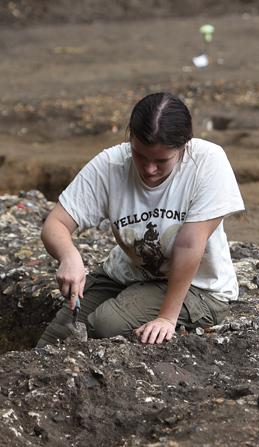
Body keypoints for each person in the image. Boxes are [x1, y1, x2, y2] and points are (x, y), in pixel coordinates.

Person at [37, 92, 245, 346]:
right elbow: (55, 223)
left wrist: (167, 318)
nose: (149, 169)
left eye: (161, 161)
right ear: (131, 139)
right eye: (140, 155)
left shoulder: (208, 162)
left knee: (105, 324)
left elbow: (189, 244)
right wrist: (69, 256)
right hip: (128, 274)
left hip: (198, 287)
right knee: (59, 334)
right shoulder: (111, 164)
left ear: (184, 146)